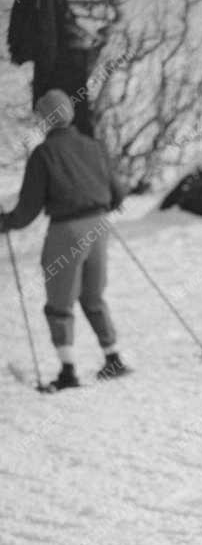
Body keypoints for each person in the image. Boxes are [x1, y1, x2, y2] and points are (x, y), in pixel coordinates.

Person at [0, 89, 128, 392]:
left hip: (66, 231)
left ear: (45, 118)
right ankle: (113, 358)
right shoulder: (94, 146)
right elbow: (118, 193)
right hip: (98, 227)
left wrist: (5, 222)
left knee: (60, 301)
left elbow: (28, 209)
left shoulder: (44, 155)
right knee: (93, 295)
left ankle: (68, 372)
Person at [7, 0, 98, 136]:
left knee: (62, 126)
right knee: (74, 125)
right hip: (61, 69)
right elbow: (47, 35)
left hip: (58, 66)